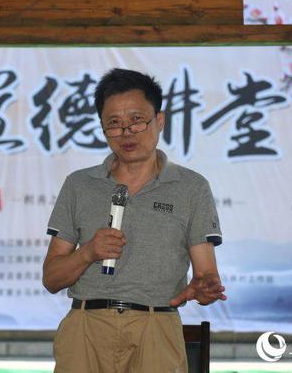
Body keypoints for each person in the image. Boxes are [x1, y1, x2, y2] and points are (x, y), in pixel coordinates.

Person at [42, 68, 226, 373]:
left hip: (156, 326)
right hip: (85, 328)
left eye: (137, 120)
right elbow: (51, 278)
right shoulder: (79, 185)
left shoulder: (191, 188)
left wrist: (204, 288)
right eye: (114, 123)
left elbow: (206, 274)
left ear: (159, 121)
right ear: (102, 128)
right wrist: (88, 252)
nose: (126, 132)